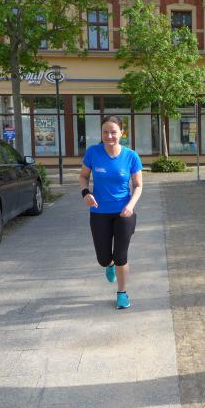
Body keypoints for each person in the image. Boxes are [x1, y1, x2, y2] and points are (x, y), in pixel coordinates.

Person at [79, 116, 143, 309]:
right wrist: (85, 193)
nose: (109, 136)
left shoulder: (131, 156)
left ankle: (122, 293)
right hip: (99, 212)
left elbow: (138, 185)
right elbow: (83, 176)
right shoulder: (93, 152)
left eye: (113, 132)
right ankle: (109, 264)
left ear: (121, 133)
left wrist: (130, 205)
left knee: (121, 255)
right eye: (105, 132)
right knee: (104, 258)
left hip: (124, 213)